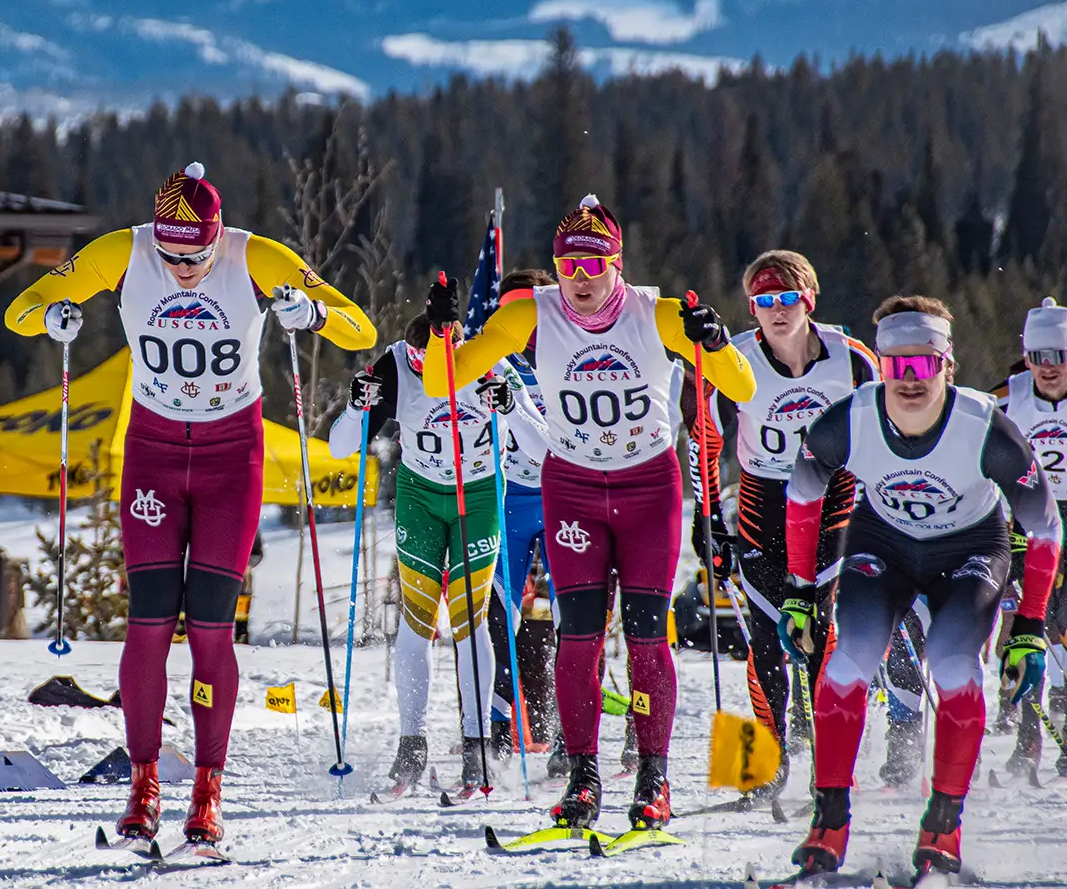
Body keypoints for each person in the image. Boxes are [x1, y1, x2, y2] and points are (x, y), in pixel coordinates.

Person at [4, 162, 374, 845]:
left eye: (196, 256)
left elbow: (360, 329)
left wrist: (312, 311)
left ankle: (208, 788)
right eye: (170, 255)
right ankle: (142, 782)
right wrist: (54, 316)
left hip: (234, 455)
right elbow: (18, 309)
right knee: (147, 623)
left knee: (209, 627)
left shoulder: (255, 255)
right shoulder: (122, 251)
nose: (181, 268)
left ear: (217, 237)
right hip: (151, 452)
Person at [423, 194, 755, 832]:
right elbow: (445, 378)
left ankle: (654, 778)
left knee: (645, 637)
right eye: (567, 267)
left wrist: (713, 343)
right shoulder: (531, 314)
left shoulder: (655, 316)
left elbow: (740, 386)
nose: (579, 281)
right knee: (577, 637)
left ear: (617, 264)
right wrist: (446, 332)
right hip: (572, 487)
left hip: (646, 489)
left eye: (593, 266)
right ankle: (583, 778)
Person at [783, 296, 1061, 877]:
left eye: (924, 365)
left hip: (969, 551)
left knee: (953, 663)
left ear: (948, 365)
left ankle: (943, 823)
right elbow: (803, 495)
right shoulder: (850, 418)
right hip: (881, 546)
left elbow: (1043, 524)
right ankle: (829, 819)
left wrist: (1031, 626)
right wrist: (800, 592)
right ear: (880, 366)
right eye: (896, 366)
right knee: (846, 663)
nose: (910, 380)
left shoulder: (984, 426)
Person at [681, 250, 933, 793]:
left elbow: (897, 425)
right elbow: (703, 436)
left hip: (834, 500)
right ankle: (757, 770)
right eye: (763, 301)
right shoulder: (734, 359)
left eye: (786, 298)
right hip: (762, 504)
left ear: (808, 300)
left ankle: (831, 766)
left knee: (822, 633)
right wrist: (708, 523)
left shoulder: (852, 359)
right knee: (766, 638)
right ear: (752, 308)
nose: (776, 311)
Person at [328, 311, 545, 791]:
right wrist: (356, 409)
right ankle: (412, 744)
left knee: (471, 619)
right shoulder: (396, 366)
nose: (433, 374)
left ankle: (477, 745)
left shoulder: (491, 364)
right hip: (421, 496)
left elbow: (542, 449)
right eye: (424, 362)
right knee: (417, 619)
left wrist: (510, 408)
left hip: (481, 497)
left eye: (442, 363)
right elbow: (340, 445)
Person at [479, 269, 557, 760]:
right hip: (508, 497)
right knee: (496, 618)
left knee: (568, 617)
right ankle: (498, 733)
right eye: (509, 309)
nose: (520, 319)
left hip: (563, 495)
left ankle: (567, 734)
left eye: (527, 306)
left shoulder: (569, 349)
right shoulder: (495, 359)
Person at [994, 297, 1067, 778]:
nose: (1048, 368)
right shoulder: (1006, 397)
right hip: (1025, 519)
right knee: (1029, 628)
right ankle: (1027, 745)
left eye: (1059, 356)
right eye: (1038, 357)